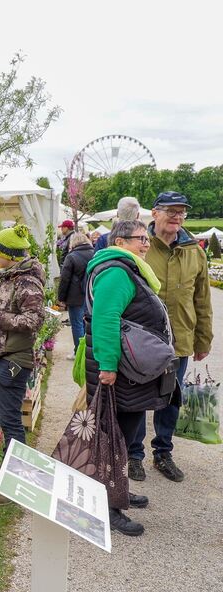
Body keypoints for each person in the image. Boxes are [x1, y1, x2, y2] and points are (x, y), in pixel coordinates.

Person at [84, 219, 179, 536]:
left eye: (147, 239)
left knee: (124, 433)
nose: (146, 244)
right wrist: (108, 366)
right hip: (119, 371)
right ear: (120, 241)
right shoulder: (115, 271)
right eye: (141, 239)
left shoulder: (126, 268)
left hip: (127, 371)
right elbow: (106, 319)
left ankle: (117, 492)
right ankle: (108, 508)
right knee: (115, 439)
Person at [127, 192, 213, 483]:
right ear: (154, 213)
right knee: (137, 398)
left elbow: (202, 299)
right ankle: (133, 454)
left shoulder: (194, 250)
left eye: (182, 212)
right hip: (141, 341)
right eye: (171, 211)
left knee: (171, 399)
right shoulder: (139, 246)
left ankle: (163, 453)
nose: (177, 217)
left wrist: (204, 339)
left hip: (180, 339)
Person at [0, 225, 45, 505]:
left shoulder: (27, 282)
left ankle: (16, 485)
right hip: (1, 355)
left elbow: (33, 322)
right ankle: (8, 471)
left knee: (12, 422)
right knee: (6, 420)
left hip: (14, 359)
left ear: (9, 255)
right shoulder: (11, 277)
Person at [57, 232, 94, 357]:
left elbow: (65, 279)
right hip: (91, 294)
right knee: (88, 323)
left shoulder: (71, 256)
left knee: (77, 324)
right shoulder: (95, 254)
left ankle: (79, 353)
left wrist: (61, 298)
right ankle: (89, 352)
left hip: (75, 295)